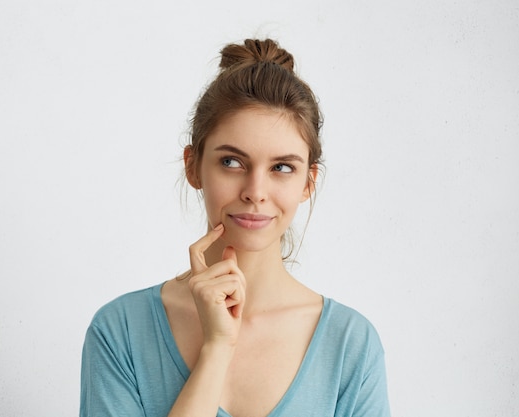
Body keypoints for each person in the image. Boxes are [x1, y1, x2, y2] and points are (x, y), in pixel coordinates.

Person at [80, 38, 390, 417]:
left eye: (282, 167)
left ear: (308, 182)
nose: (255, 192)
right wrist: (216, 349)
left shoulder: (350, 346)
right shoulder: (121, 332)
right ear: (193, 166)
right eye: (231, 162)